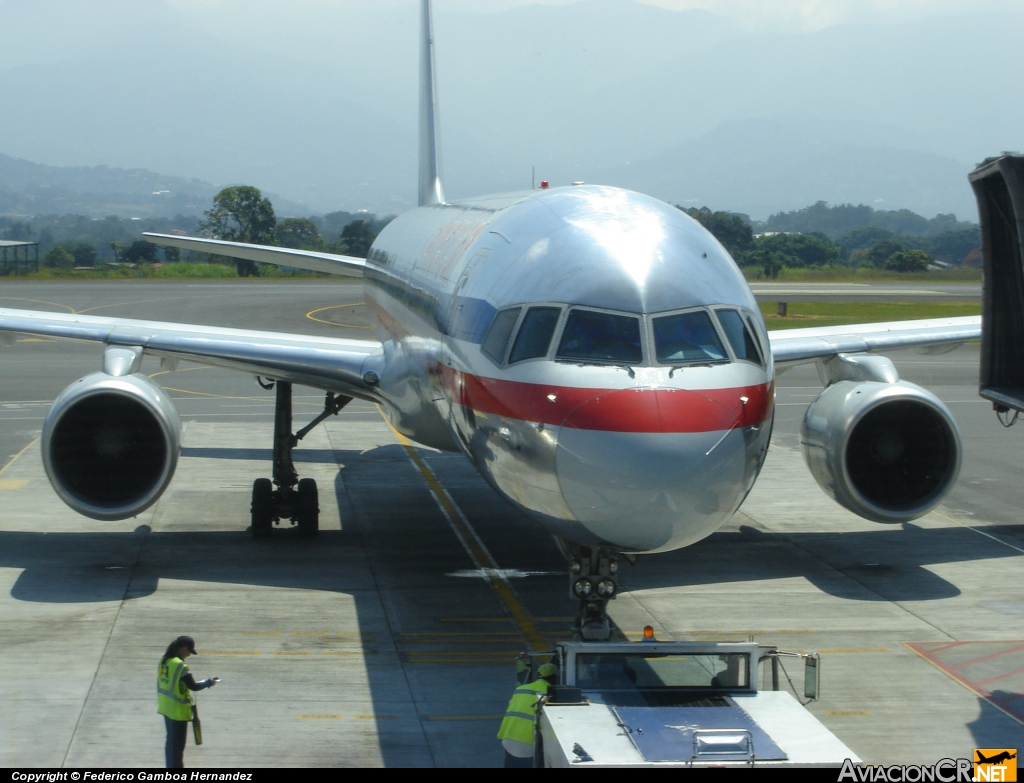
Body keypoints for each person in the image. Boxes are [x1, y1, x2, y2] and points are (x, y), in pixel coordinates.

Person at [157, 635, 217, 769]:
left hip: (166, 708)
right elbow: (193, 686)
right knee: (177, 748)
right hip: (178, 712)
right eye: (189, 651)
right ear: (183, 648)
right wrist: (209, 682)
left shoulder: (164, 661)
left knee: (170, 744)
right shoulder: (180, 666)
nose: (189, 655)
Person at [496, 662, 558, 768]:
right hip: (527, 745)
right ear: (554, 677)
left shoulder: (521, 689)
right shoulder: (551, 693)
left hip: (508, 738)